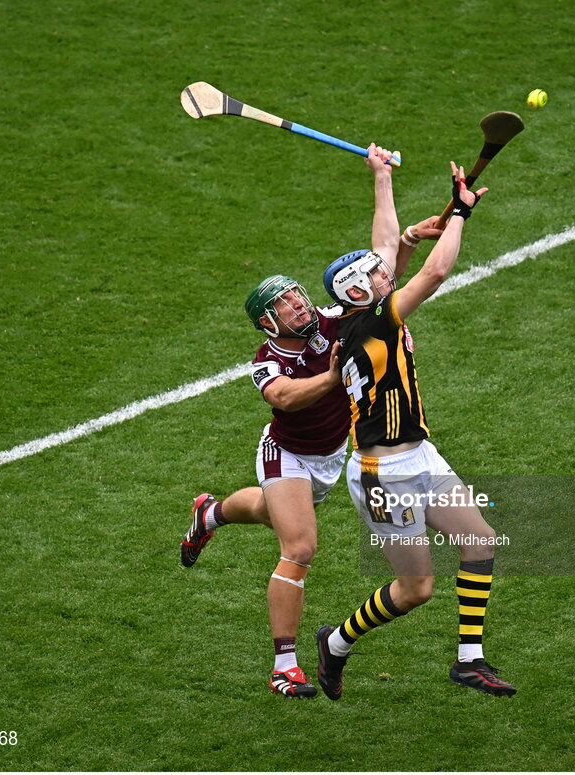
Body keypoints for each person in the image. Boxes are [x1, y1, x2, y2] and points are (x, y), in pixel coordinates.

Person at [181, 145, 443, 699]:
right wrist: (336, 374)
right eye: (287, 305)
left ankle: (210, 513)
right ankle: (284, 664)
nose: (301, 306)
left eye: (299, 296)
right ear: (268, 321)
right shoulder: (266, 361)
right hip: (289, 453)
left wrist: (383, 183)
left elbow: (380, 264)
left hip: (333, 454)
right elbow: (287, 397)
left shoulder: (331, 320)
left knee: (265, 510)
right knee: (298, 546)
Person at [315, 161, 517, 699]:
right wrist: (461, 216)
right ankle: (335, 644)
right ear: (358, 292)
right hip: (384, 471)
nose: (387, 273)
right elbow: (435, 274)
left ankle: (468, 661)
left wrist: (381, 176)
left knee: (479, 541)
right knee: (416, 588)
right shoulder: (375, 320)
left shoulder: (363, 312)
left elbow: (386, 242)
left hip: (420, 453)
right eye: (377, 275)